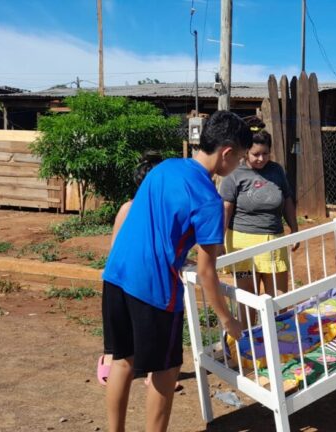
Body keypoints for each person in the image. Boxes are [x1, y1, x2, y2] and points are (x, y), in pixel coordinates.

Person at [101, 111, 252, 432]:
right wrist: (229, 321)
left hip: (116, 273)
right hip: (153, 289)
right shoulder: (209, 200)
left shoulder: (166, 167)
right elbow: (208, 273)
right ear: (226, 153)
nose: (238, 165)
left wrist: (176, 254)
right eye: (239, 158)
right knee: (166, 370)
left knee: (122, 360)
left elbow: (151, 222)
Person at [97, 150, 163, 386]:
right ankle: (108, 356)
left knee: (149, 329)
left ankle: (154, 373)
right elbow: (116, 245)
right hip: (122, 277)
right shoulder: (128, 208)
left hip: (150, 279)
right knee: (119, 330)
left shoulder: (164, 214)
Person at [219, 130, 299, 311]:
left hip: (274, 241)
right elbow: (226, 209)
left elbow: (287, 200)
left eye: (265, 153)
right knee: (248, 299)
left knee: (278, 299)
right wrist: (219, 240)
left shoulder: (277, 170)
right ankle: (248, 337)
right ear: (246, 152)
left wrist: (294, 230)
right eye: (256, 154)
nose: (261, 159)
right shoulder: (234, 174)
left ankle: (278, 336)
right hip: (243, 244)